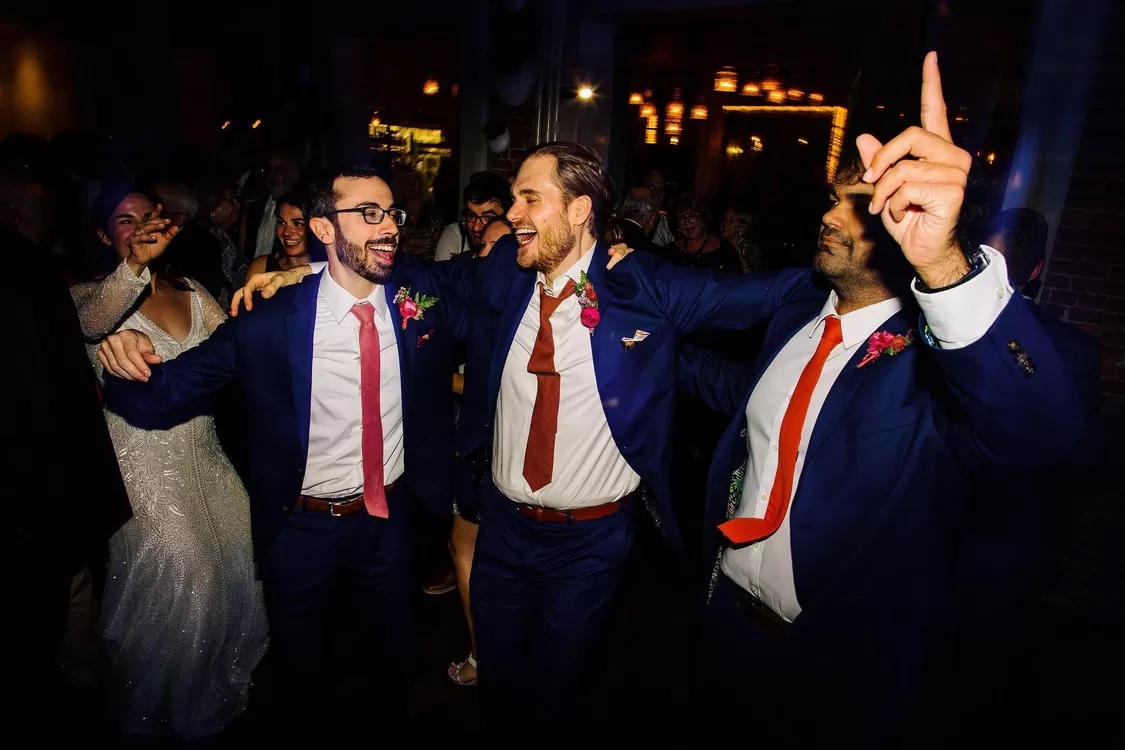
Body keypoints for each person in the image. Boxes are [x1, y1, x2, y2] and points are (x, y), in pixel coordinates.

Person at [678, 53, 1095, 747]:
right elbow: (747, 400)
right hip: (727, 629)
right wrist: (640, 349)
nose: (828, 216)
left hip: (841, 664)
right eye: (831, 199)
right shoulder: (796, 317)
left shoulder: (935, 364)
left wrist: (944, 267)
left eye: (854, 206)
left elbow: (1037, 440)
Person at [96, 164, 466, 747]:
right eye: (367, 213)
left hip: (390, 519)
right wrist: (120, 359)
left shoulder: (421, 301)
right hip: (301, 525)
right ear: (323, 226)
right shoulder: (266, 323)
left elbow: (489, 278)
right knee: (303, 668)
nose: (388, 227)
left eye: (391, 213)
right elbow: (167, 389)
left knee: (396, 654)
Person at [72, 186, 269, 742]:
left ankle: (213, 700)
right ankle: (149, 716)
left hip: (206, 452)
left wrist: (284, 286)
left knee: (240, 562)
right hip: (140, 459)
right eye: (121, 221)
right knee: (186, 574)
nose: (136, 229)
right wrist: (133, 266)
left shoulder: (191, 290)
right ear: (101, 234)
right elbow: (92, 323)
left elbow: (238, 344)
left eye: (145, 218)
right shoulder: (86, 296)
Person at [2, 176, 132, 740]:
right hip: (41, 495)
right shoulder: (52, 280)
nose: (147, 227)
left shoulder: (196, 285)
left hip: (52, 496)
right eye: (126, 219)